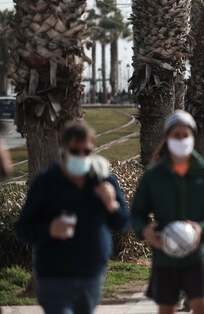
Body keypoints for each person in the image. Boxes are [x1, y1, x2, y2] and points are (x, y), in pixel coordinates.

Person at [16, 121, 130, 314]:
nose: (82, 156)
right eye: (75, 151)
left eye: (87, 151)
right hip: (54, 275)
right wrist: (49, 229)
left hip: (91, 273)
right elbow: (23, 228)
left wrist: (112, 205)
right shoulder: (47, 182)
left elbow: (123, 223)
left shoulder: (103, 180)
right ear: (64, 150)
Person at [131, 110, 204, 314]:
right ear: (167, 138)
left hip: (197, 254)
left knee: (201, 306)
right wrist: (146, 232)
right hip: (164, 255)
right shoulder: (153, 175)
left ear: (193, 137)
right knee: (166, 309)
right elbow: (137, 213)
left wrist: (202, 227)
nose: (182, 139)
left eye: (186, 135)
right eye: (176, 135)